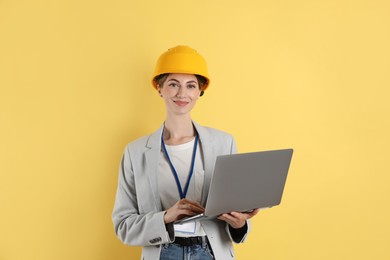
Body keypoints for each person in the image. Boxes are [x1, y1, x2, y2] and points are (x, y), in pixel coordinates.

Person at [112, 45, 260, 259]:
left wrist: (240, 223)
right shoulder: (135, 152)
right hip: (163, 252)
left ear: (200, 91)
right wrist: (165, 216)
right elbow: (123, 225)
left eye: (190, 85)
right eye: (173, 84)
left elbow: (233, 212)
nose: (182, 93)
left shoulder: (224, 143)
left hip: (211, 252)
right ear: (159, 88)